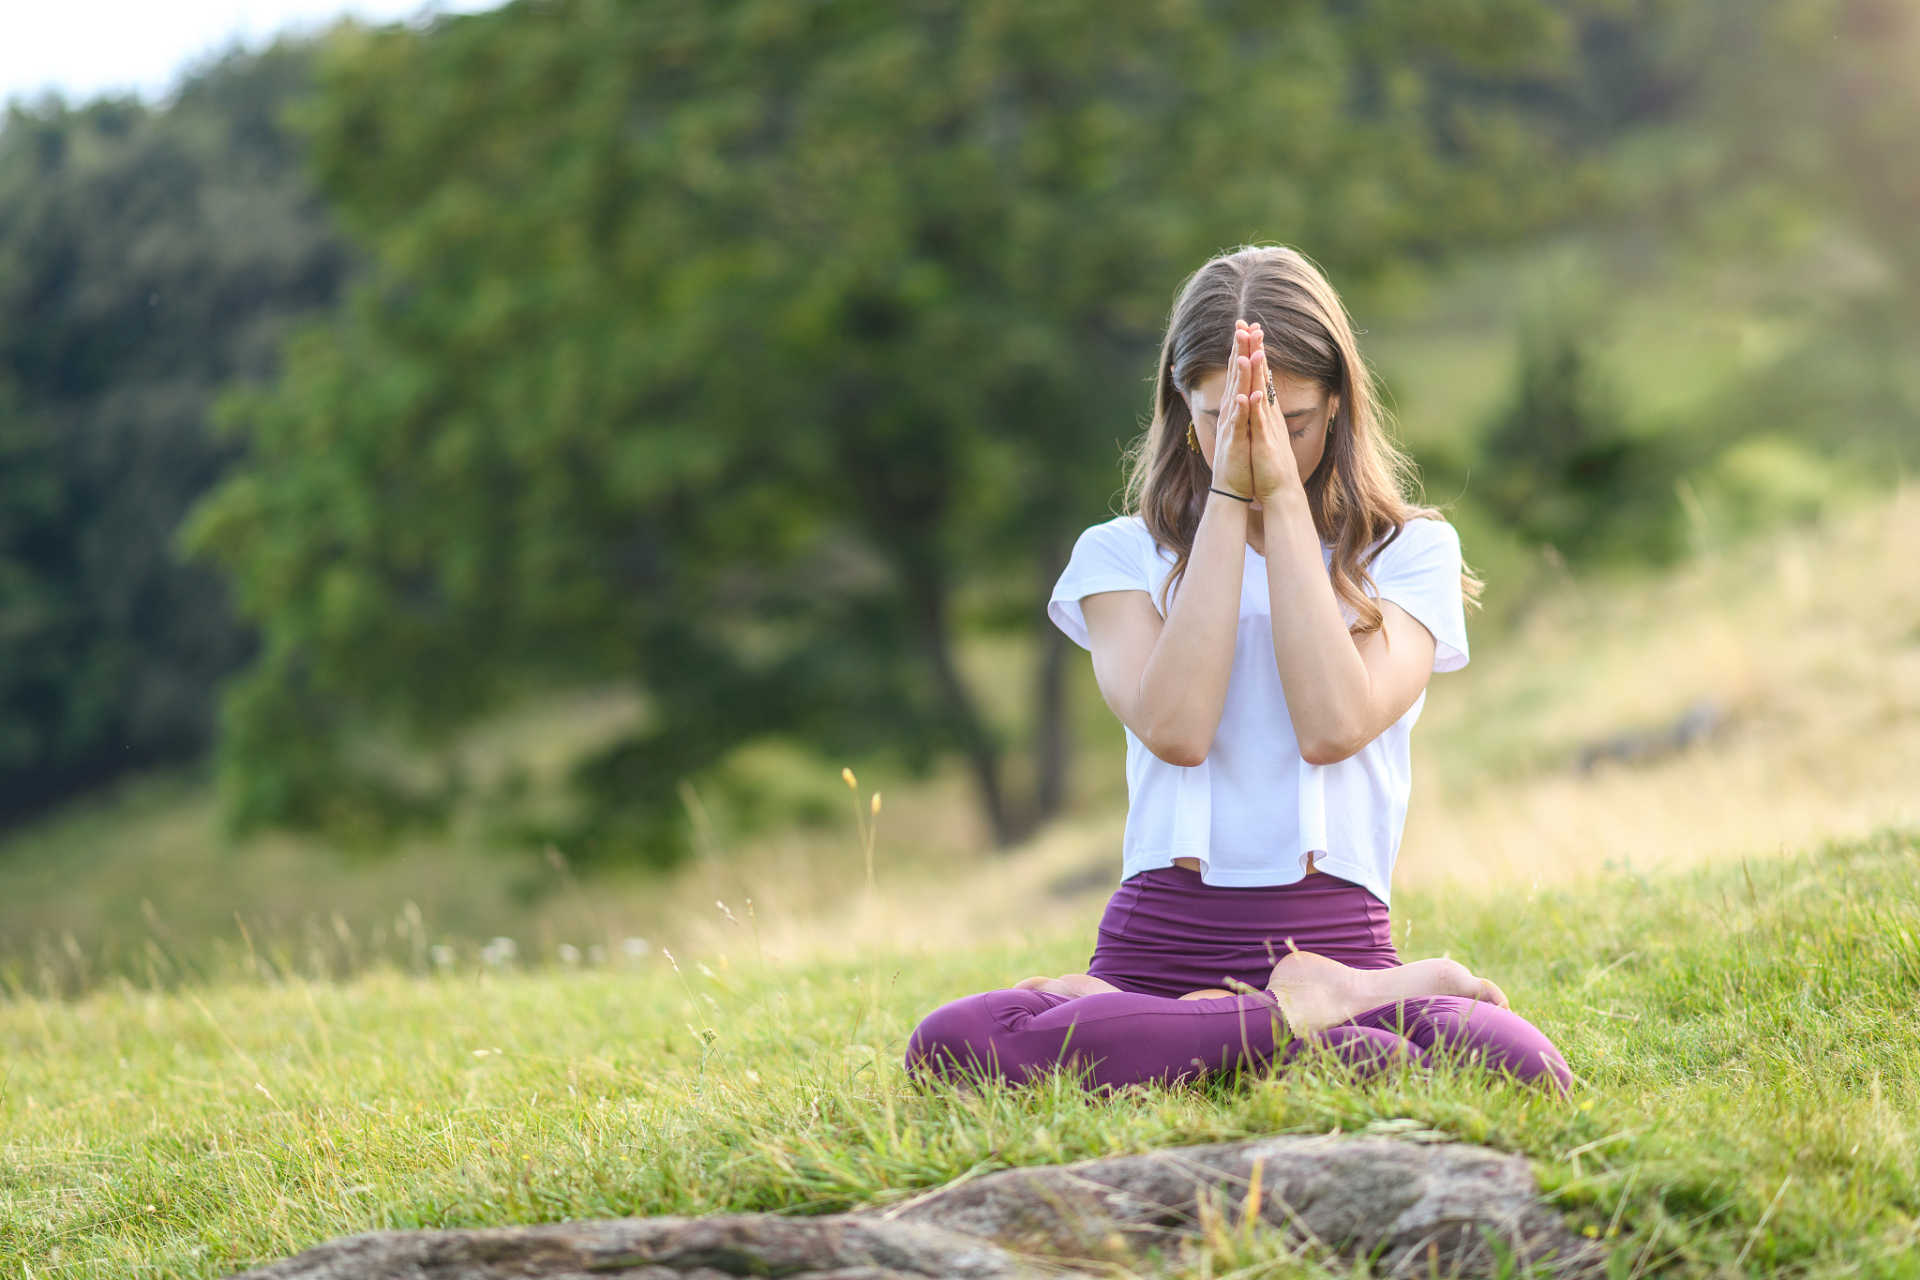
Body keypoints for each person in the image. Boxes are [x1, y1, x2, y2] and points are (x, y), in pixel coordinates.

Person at [905, 246, 1571, 1093]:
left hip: (1338, 947)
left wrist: (1283, 503)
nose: (1260, 444)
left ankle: (1202, 1038)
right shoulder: (1119, 556)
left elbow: (1334, 726)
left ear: (1337, 403)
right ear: (1182, 406)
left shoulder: (1409, 554)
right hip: (1156, 953)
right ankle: (1295, 1021)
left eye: (1293, 423)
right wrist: (1227, 500)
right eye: (1224, 420)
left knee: (1525, 1072)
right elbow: (1177, 730)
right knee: (951, 1045)